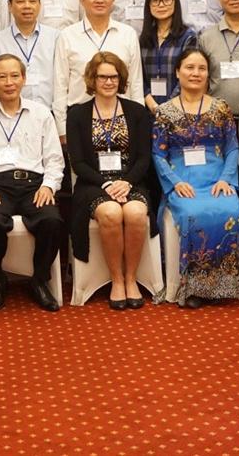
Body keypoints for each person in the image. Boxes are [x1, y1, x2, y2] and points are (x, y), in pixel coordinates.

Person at [0, 54, 66, 312]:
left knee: (52, 221)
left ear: (24, 79)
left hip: (34, 185)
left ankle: (39, 279)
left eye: (14, 76)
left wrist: (49, 186)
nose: (9, 82)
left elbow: (55, 159)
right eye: (2, 77)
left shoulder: (41, 113)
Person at [152, 47, 239, 308]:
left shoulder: (221, 108)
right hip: (183, 182)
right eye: (189, 67)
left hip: (217, 180)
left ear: (208, 74)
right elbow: (158, 154)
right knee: (193, 214)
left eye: (201, 68)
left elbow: (232, 148)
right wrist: (175, 183)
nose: (195, 73)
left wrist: (226, 179)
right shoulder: (164, 112)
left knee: (230, 210)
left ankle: (226, 285)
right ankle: (195, 288)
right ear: (177, 72)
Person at [67, 52, 151, 310]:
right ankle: (116, 280)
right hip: (93, 183)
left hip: (131, 180)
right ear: (92, 80)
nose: (108, 82)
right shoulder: (77, 114)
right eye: (102, 77)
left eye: (114, 77)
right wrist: (106, 184)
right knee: (111, 213)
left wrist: (126, 182)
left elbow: (144, 158)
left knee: (136, 213)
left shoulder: (137, 111)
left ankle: (131, 278)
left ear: (121, 79)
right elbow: (78, 162)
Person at [53, 0, 143, 139]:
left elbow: (136, 82)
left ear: (113, 0)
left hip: (121, 116)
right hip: (79, 118)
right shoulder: (67, 35)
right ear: (82, 0)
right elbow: (60, 84)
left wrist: (138, 121)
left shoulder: (128, 34)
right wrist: (62, 129)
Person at [0, 0, 58, 108]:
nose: (27, 6)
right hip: (12, 112)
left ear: (39, 5)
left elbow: (61, 79)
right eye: (20, 1)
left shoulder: (55, 37)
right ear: (9, 6)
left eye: (32, 1)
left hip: (49, 111)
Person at [139, 0, 198, 114]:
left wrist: (169, 107)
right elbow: (138, 76)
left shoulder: (188, 37)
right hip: (149, 110)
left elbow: (189, 76)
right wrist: (151, 104)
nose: (161, 5)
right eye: (155, 0)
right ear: (148, 5)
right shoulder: (143, 39)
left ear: (175, 2)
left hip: (181, 110)